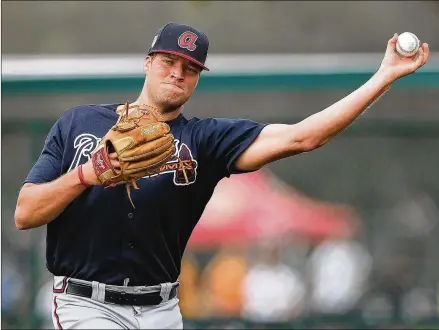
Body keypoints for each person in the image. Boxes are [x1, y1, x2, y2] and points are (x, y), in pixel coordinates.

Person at [14, 22, 429, 330]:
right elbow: (26, 212)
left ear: (197, 79)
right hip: (89, 305)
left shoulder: (207, 140)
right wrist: (87, 174)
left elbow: (304, 137)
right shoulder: (80, 124)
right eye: (168, 61)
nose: (177, 73)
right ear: (148, 62)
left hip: (161, 310)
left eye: (190, 68)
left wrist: (384, 76)